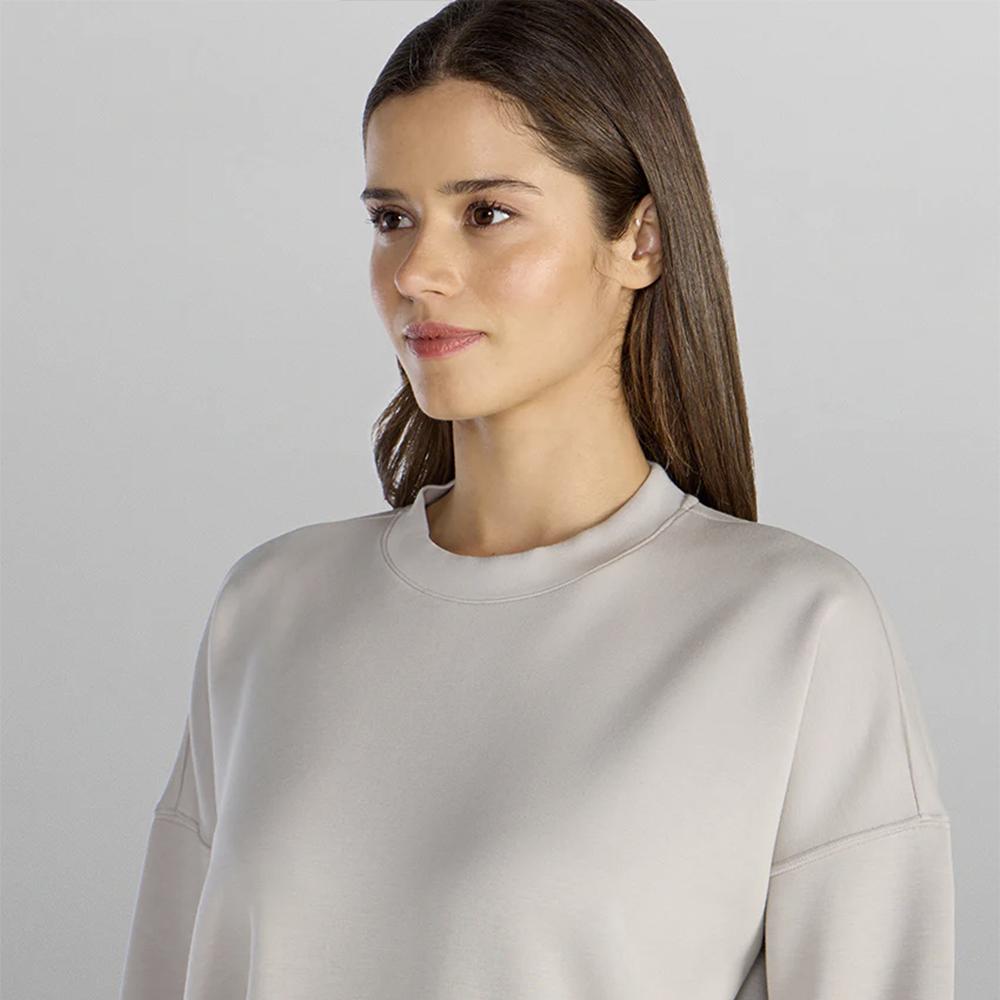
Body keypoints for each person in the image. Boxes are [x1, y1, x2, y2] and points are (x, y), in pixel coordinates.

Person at [118, 1, 955, 997]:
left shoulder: (793, 630)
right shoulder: (270, 610)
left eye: (487, 213)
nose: (417, 272)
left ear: (641, 240)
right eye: (391, 218)